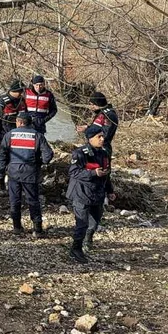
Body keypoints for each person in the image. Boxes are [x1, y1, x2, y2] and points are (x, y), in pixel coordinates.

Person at [0, 112, 54, 236]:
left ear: (19, 122)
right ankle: (38, 230)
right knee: (33, 200)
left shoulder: (9, 135)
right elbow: (48, 154)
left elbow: (2, 157)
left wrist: (1, 177)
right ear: (30, 123)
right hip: (30, 173)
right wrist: (40, 163)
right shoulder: (37, 136)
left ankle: (17, 228)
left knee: (14, 200)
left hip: (13, 173)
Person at [67, 125, 117, 264]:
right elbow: (73, 172)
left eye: (103, 136)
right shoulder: (80, 153)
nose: (102, 139)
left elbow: (106, 174)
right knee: (82, 223)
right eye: (98, 137)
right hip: (81, 193)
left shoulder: (104, 153)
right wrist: (93, 173)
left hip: (97, 193)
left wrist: (110, 191)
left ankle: (88, 239)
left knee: (95, 221)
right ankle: (76, 249)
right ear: (90, 139)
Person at [76, 92, 119, 158]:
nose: (91, 107)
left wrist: (87, 130)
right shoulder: (105, 113)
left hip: (101, 150)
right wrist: (87, 127)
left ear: (98, 103)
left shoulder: (107, 115)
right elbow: (99, 128)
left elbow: (104, 134)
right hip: (98, 148)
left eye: (92, 104)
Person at [0, 80, 26, 148]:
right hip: (5, 136)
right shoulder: (2, 103)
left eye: (22, 91)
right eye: (20, 91)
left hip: (20, 136)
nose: (22, 94)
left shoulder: (22, 101)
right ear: (13, 91)